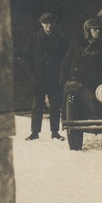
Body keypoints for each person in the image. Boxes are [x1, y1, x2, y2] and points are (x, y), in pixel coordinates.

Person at [23, 12, 70, 141]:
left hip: (54, 77)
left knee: (55, 105)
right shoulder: (34, 38)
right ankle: (34, 132)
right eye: (46, 23)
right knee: (37, 105)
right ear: (41, 24)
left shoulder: (60, 38)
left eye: (50, 23)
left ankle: (55, 132)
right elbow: (26, 57)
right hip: (38, 77)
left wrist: (61, 72)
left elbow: (66, 57)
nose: (48, 26)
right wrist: (32, 73)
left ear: (53, 23)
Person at [59, 17, 102, 124]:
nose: (97, 31)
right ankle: (70, 124)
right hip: (74, 82)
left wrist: (99, 82)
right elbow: (65, 63)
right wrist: (64, 81)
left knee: (95, 106)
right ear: (88, 31)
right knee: (70, 110)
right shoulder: (77, 45)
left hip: (92, 84)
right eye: (94, 29)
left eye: (99, 29)